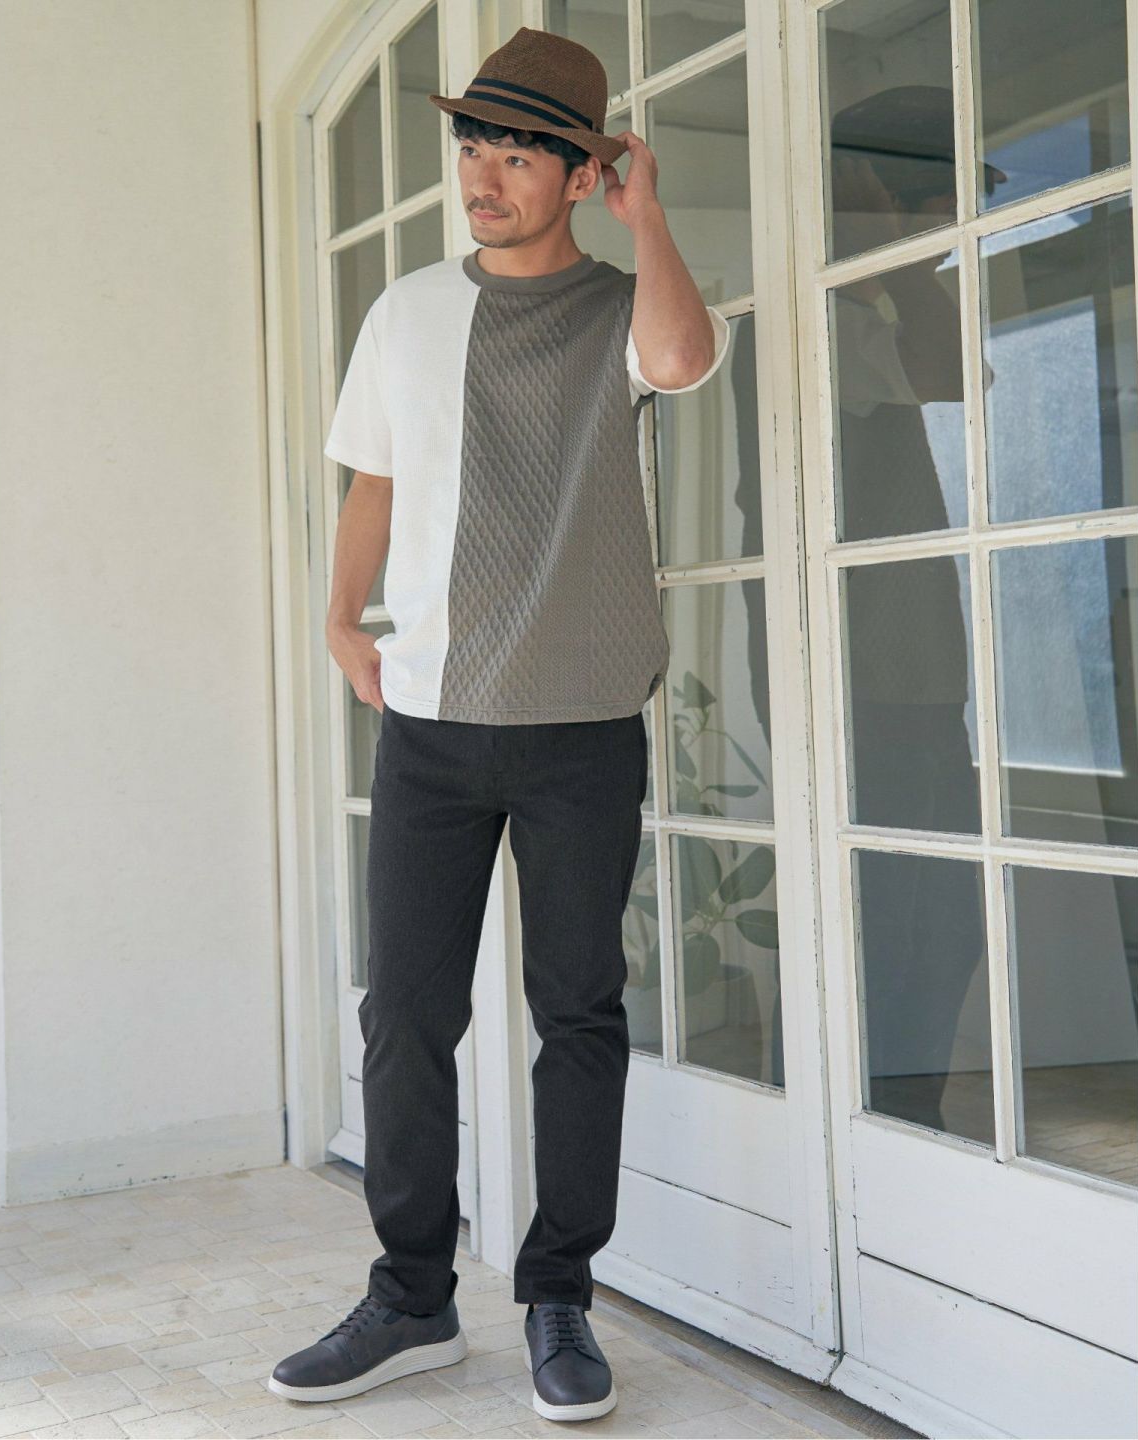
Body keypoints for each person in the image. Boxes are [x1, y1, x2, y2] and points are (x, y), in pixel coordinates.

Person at [268, 25, 730, 1423]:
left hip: (582, 721)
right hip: (430, 722)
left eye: (521, 152)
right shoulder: (406, 312)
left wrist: (649, 220)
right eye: (474, 143)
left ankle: (558, 1298)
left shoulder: (619, 306)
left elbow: (685, 358)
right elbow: (372, 484)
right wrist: (339, 621)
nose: (484, 173)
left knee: (576, 1012)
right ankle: (412, 1297)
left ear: (584, 173)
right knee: (405, 1015)